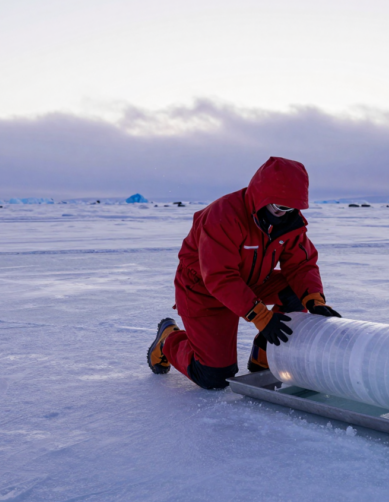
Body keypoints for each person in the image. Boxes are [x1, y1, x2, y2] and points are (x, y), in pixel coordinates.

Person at [146, 156, 342, 389]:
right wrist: (262, 317)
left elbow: (301, 264)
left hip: (253, 282)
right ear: (263, 197)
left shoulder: (287, 222)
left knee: (296, 292)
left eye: (292, 208)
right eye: (280, 207)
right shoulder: (223, 216)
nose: (286, 214)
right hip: (204, 290)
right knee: (215, 376)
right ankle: (168, 340)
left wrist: (314, 300)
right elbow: (220, 277)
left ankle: (264, 354)